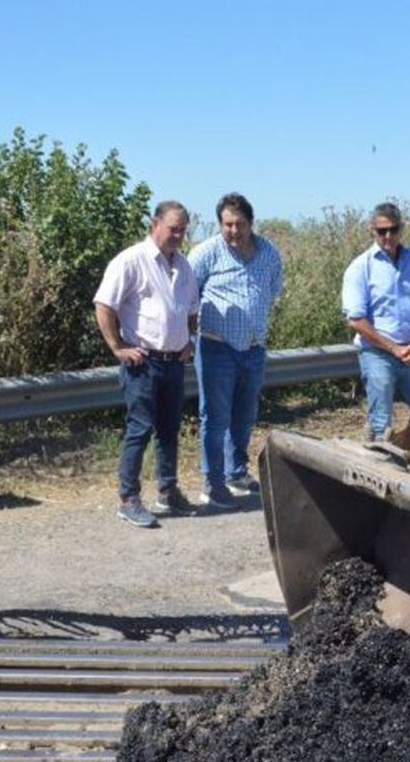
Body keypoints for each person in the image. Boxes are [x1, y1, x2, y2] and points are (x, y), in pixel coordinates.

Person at [94, 201, 200, 528]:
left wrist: (188, 341)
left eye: (183, 230)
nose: (178, 235)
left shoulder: (183, 265)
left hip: (172, 363)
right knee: (139, 430)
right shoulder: (131, 260)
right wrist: (118, 347)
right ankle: (129, 499)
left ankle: (168, 492)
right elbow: (104, 305)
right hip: (143, 362)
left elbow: (191, 309)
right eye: (173, 229)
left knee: (169, 430)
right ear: (155, 224)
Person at [188, 193, 283, 508]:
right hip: (216, 347)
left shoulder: (268, 252)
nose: (233, 230)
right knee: (214, 419)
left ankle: (236, 474)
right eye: (227, 224)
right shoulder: (205, 253)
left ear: (250, 222)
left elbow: (272, 290)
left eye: (239, 224)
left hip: (253, 349)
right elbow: (187, 296)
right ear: (220, 224)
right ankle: (213, 484)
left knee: (244, 416)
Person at [341, 203, 410, 440]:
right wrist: (393, 348)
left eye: (393, 229)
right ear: (372, 231)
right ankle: (378, 457)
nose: (388, 236)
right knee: (381, 424)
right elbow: (356, 320)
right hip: (378, 353)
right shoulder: (360, 267)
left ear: (401, 229)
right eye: (381, 230)